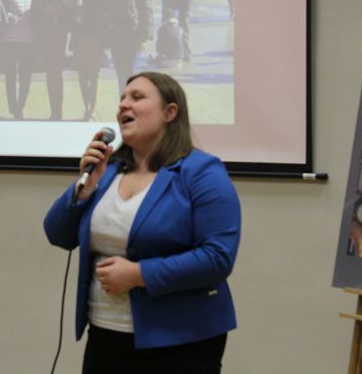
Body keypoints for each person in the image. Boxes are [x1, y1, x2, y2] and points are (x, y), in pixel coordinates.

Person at [44, 71, 241, 374]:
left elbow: (217, 257)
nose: (124, 105)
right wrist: (83, 189)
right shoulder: (108, 171)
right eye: (122, 98)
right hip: (106, 334)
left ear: (169, 112)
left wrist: (139, 274)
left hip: (182, 339)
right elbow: (57, 233)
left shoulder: (202, 172)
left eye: (137, 97)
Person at [31, 0, 70, 120]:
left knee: (57, 72)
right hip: (46, 29)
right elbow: (36, 0)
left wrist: (58, 6)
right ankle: (55, 111)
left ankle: (58, 111)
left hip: (62, 28)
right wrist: (43, 6)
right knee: (51, 72)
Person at [69, 0, 105, 121]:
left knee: (94, 73)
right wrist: (74, 6)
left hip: (95, 30)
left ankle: (91, 109)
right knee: (82, 73)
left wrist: (85, 5)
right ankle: (88, 108)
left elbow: (104, 2)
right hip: (79, 30)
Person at [0, 0, 34, 119]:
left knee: (26, 77)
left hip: (28, 37)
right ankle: (15, 109)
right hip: (10, 38)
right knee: (10, 76)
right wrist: (8, 15)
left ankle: (21, 106)